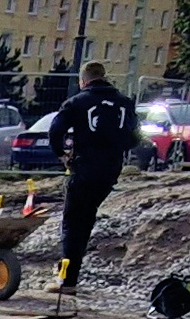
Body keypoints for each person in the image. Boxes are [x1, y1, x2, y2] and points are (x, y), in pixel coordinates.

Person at [53, 64, 134, 289]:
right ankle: (70, 275)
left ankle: (66, 280)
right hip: (109, 172)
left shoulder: (77, 102)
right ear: (103, 77)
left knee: (72, 224)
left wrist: (62, 154)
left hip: (84, 169)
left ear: (83, 81)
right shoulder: (125, 103)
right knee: (86, 220)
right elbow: (135, 137)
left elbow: (55, 131)